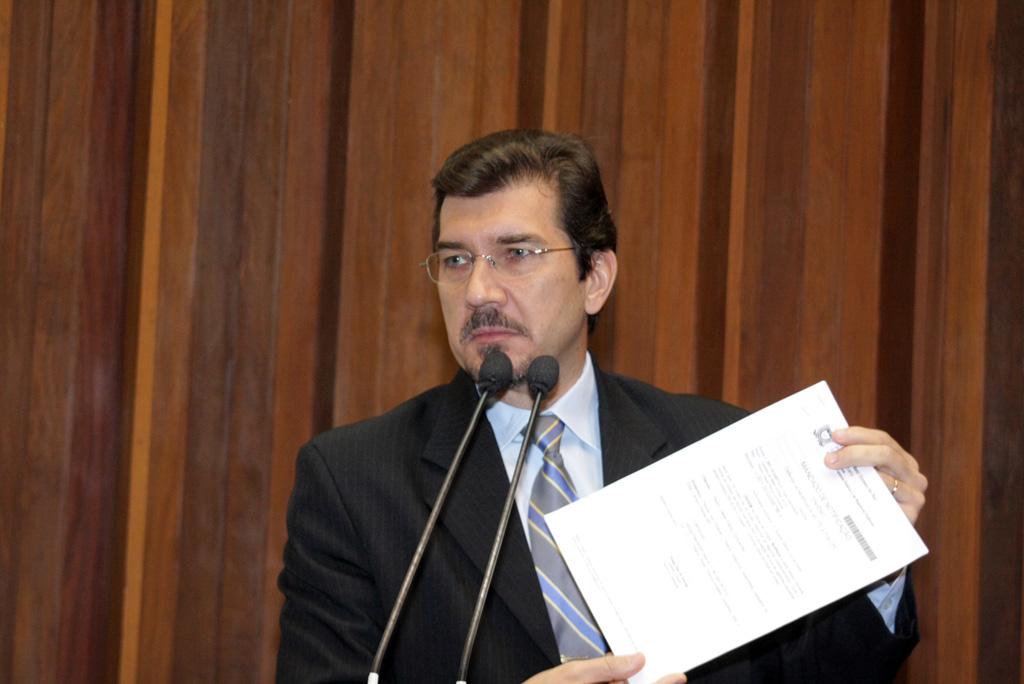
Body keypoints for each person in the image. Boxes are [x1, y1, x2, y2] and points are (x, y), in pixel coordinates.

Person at [276, 130, 927, 683]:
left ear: (596, 279)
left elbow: (818, 673)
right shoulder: (356, 481)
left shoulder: (717, 449)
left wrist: (874, 556)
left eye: (516, 254)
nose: (478, 290)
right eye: (455, 260)